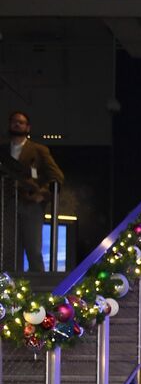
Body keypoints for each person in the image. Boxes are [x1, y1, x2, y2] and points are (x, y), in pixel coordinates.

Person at [4, 111, 64, 271]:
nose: (17, 124)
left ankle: (38, 290)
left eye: (21, 122)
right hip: (7, 206)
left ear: (27, 127)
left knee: (33, 250)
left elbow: (57, 176)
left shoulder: (38, 150)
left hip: (30, 205)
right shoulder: (3, 150)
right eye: (14, 122)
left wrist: (41, 194)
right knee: (9, 252)